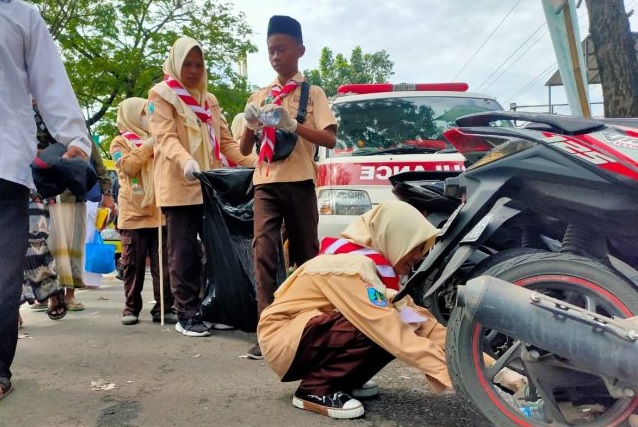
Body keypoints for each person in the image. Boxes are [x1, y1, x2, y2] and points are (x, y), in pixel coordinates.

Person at [257, 201, 450, 419]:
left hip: (302, 333)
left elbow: (422, 323)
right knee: (381, 326)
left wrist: (484, 367)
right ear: (396, 236)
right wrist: (452, 374)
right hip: (282, 339)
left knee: (395, 322)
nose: (419, 256)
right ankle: (316, 389)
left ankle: (345, 379)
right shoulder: (351, 266)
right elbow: (386, 325)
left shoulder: (373, 268)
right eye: (416, 246)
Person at [0, 0, 92, 401]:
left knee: (6, 271)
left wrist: (75, 139)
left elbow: (49, 78)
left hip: (5, 167)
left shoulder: (19, 14)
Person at [239, 15, 337, 359]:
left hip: (299, 183)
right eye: (270, 51)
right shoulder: (260, 95)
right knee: (263, 253)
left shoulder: (313, 93)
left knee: (306, 256)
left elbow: (329, 138)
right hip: (265, 182)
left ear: (300, 50)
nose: (276, 56)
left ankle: (311, 326)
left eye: (281, 49)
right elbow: (243, 150)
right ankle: (267, 330)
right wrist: (251, 123)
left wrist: (293, 124)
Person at [149, 35, 254, 337]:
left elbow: (227, 143)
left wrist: (256, 163)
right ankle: (186, 312)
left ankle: (212, 307)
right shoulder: (161, 95)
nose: (193, 70)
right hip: (179, 184)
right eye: (187, 64)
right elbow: (165, 138)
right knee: (183, 251)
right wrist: (186, 162)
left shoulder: (209, 100)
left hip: (210, 187)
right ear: (175, 64)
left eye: (198, 64)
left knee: (215, 250)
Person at [110, 97, 177, 326]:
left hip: (159, 212)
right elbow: (128, 166)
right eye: (143, 113)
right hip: (133, 214)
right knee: (133, 266)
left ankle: (164, 307)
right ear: (130, 115)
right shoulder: (119, 143)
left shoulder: (160, 140)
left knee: (164, 266)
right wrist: (149, 144)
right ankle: (131, 308)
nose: (148, 117)